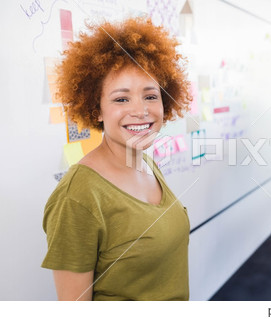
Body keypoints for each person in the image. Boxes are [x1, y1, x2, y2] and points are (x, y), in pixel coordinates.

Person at [41, 18, 192, 301]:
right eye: (121, 99)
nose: (140, 111)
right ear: (95, 108)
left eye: (150, 96)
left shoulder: (145, 163)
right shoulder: (77, 197)